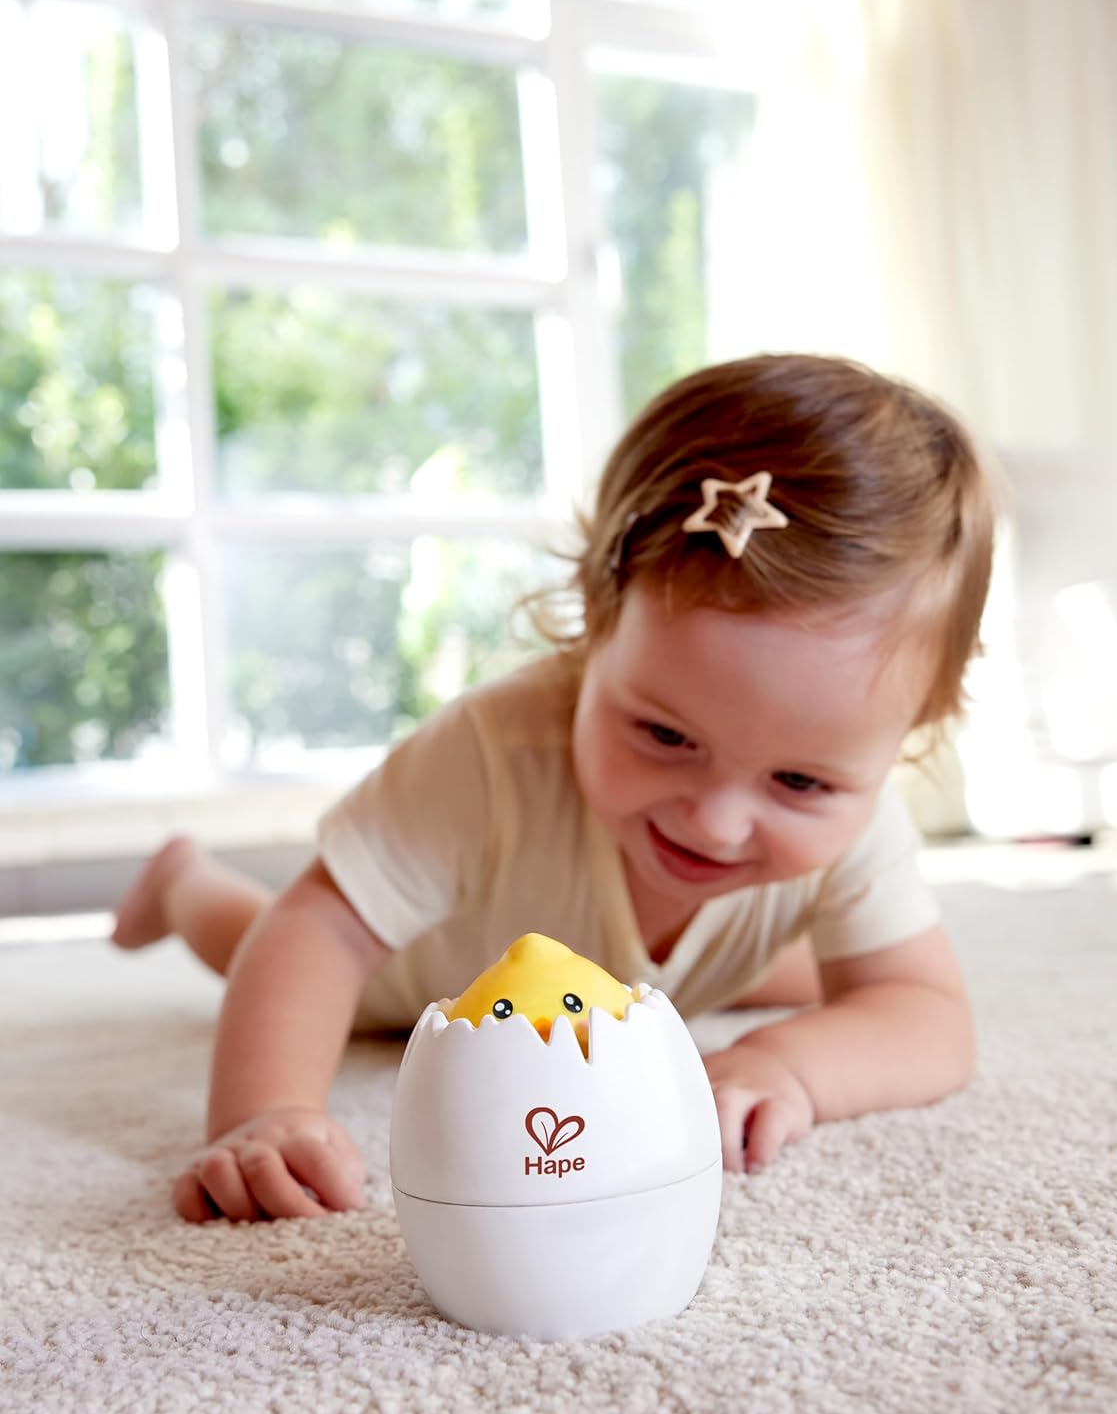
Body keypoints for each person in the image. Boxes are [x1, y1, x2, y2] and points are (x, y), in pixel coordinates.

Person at [113, 353, 998, 1224]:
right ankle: (184, 881)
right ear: (595, 623)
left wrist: (790, 1066)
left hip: (638, 973)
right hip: (424, 971)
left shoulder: (859, 810)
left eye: (800, 781)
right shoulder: (495, 752)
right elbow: (322, 930)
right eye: (663, 734)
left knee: (802, 971)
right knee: (251, 939)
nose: (717, 822)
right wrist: (263, 1114)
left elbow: (924, 1016)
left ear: (907, 732)